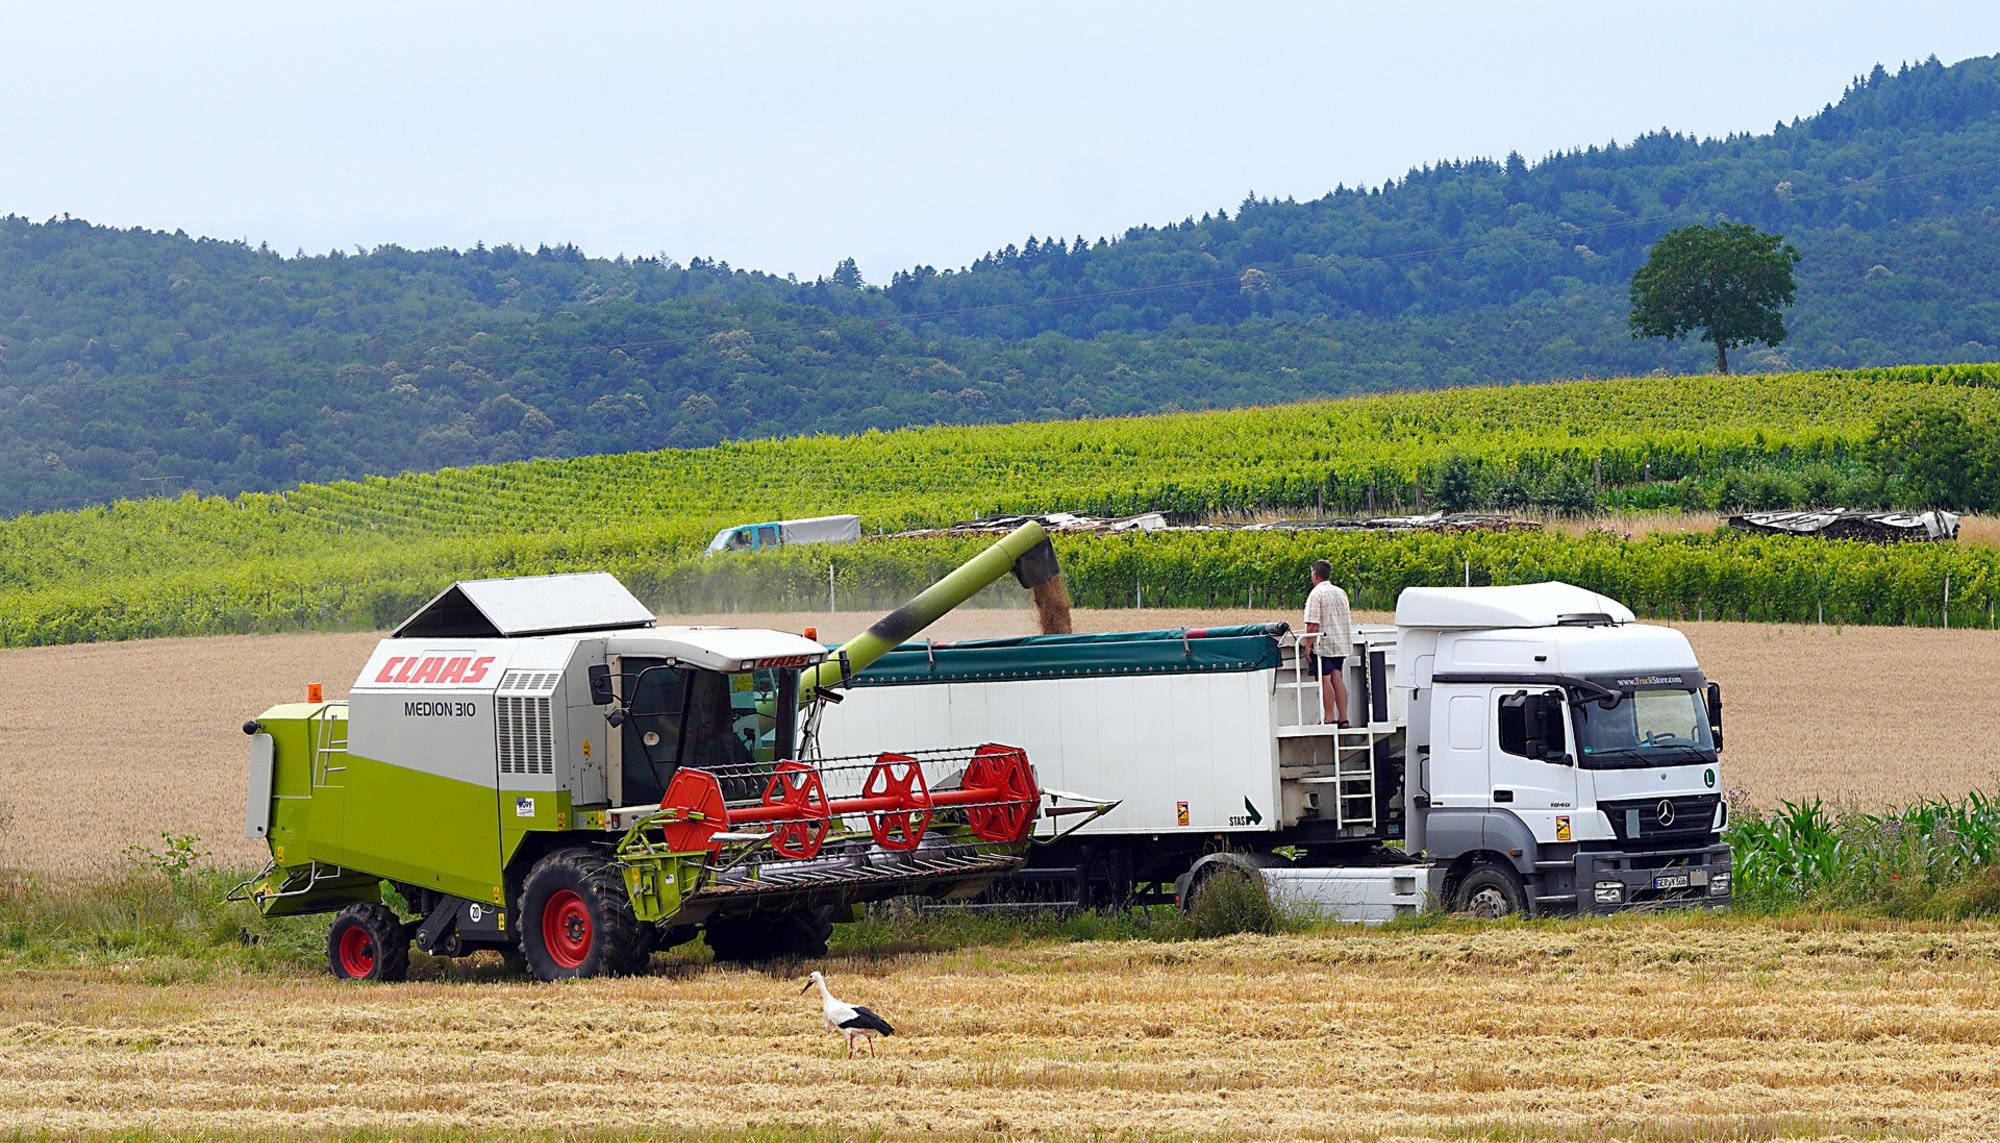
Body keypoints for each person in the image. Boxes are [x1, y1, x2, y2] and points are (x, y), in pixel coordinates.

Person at [1302, 559, 1352, 727]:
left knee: (1325, 679)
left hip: (1324, 644)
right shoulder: (1341, 592)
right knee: (1337, 678)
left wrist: (1308, 646)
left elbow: (1312, 624)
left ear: (1315, 575)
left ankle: (1329, 717)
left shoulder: (1316, 594)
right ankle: (1344, 718)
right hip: (1341, 642)